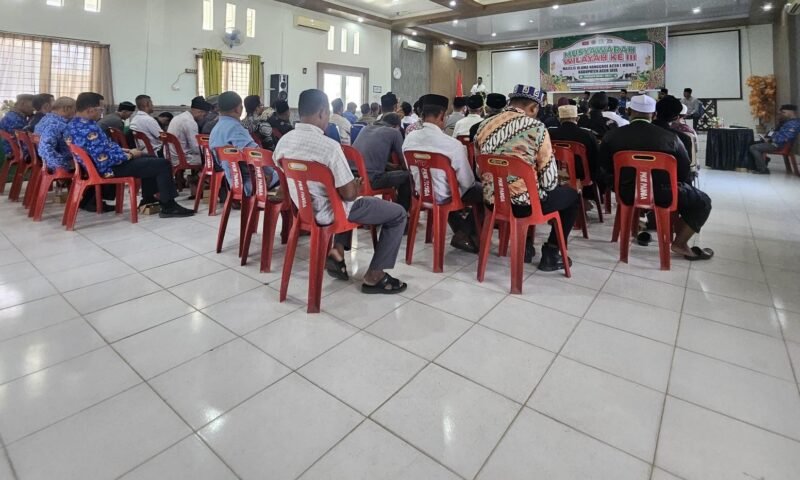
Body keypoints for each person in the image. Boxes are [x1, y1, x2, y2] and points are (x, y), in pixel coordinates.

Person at [273, 89, 408, 294]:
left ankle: (337, 251)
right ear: (321, 113)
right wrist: (356, 185)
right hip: (333, 212)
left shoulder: (284, 142)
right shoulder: (329, 147)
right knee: (396, 213)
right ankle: (375, 275)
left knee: (338, 196)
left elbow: (285, 176)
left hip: (304, 211)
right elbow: (349, 195)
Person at [476, 85, 578, 269]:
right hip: (525, 206)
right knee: (571, 197)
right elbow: (549, 183)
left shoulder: (484, 125)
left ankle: (527, 246)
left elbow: (479, 169)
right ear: (533, 108)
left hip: (492, 201)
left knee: (531, 188)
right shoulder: (537, 127)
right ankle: (552, 253)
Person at [600, 94, 713, 260]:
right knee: (703, 201)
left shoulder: (612, 136)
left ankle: (643, 224)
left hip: (626, 192)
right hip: (664, 195)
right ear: (653, 114)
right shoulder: (672, 138)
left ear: (629, 110)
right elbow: (683, 174)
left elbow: (604, 167)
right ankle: (680, 242)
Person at [66, 92, 194, 217]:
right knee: (163, 164)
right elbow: (104, 159)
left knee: (150, 159)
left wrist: (125, 151)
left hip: (99, 166)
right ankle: (169, 206)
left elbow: (104, 148)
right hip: (109, 168)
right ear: (90, 110)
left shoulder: (74, 124)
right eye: (101, 108)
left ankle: (149, 199)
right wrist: (131, 155)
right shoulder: (89, 129)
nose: (102, 112)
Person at [404, 94, 482, 253]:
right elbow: (467, 182)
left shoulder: (409, 139)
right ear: (441, 115)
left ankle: (462, 232)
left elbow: (408, 169)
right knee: (482, 192)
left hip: (421, 194)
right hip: (446, 196)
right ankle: (467, 232)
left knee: (450, 191)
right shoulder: (451, 144)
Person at [209, 91, 280, 195]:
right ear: (238, 109)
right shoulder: (235, 128)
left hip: (232, 182)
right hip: (248, 183)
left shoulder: (215, 129)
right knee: (288, 174)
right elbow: (256, 153)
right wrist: (270, 171)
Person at [352, 113, 412, 211]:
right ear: (396, 126)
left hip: (353, 178)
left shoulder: (366, 128)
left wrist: (391, 166)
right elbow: (405, 164)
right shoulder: (394, 132)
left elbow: (365, 157)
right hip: (371, 180)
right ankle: (402, 213)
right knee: (408, 176)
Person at [549, 104, 601, 193]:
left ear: (559, 119)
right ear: (577, 119)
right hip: (582, 175)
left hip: (558, 173)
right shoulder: (587, 134)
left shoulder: (550, 133)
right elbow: (596, 157)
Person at [751, 104, 800, 174]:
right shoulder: (786, 122)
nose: (782, 114)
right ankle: (761, 162)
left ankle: (762, 169)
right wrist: (768, 136)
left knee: (753, 147)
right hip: (775, 143)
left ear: (791, 112)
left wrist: (771, 139)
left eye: (783, 112)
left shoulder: (794, 124)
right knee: (753, 143)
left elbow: (785, 137)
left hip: (778, 145)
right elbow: (776, 132)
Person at [167, 96, 212, 166]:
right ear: (200, 112)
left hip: (170, 156)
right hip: (181, 158)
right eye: (204, 115)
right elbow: (196, 148)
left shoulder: (178, 117)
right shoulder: (190, 122)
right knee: (212, 158)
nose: (204, 118)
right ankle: (198, 176)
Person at [35, 96, 76, 172]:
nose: (75, 113)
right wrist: (63, 165)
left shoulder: (45, 119)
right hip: (57, 163)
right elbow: (46, 149)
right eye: (74, 110)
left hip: (42, 160)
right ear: (66, 109)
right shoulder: (56, 125)